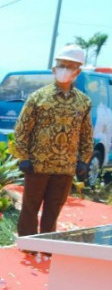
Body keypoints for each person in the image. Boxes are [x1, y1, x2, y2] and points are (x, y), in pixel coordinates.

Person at [15, 44, 93, 241]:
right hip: (37, 163)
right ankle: (28, 241)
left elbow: (86, 134)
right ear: (54, 68)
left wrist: (84, 160)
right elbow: (22, 129)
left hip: (65, 166)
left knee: (54, 206)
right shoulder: (38, 97)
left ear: (78, 71)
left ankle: (49, 242)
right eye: (62, 65)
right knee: (31, 205)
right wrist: (24, 157)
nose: (65, 70)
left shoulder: (83, 102)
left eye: (70, 66)